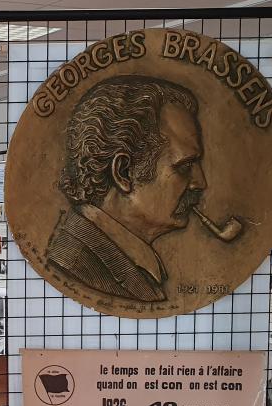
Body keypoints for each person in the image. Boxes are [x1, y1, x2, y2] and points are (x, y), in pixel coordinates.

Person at [46, 76, 208, 303]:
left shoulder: (124, 264)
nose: (200, 183)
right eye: (185, 166)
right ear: (123, 172)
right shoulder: (78, 266)